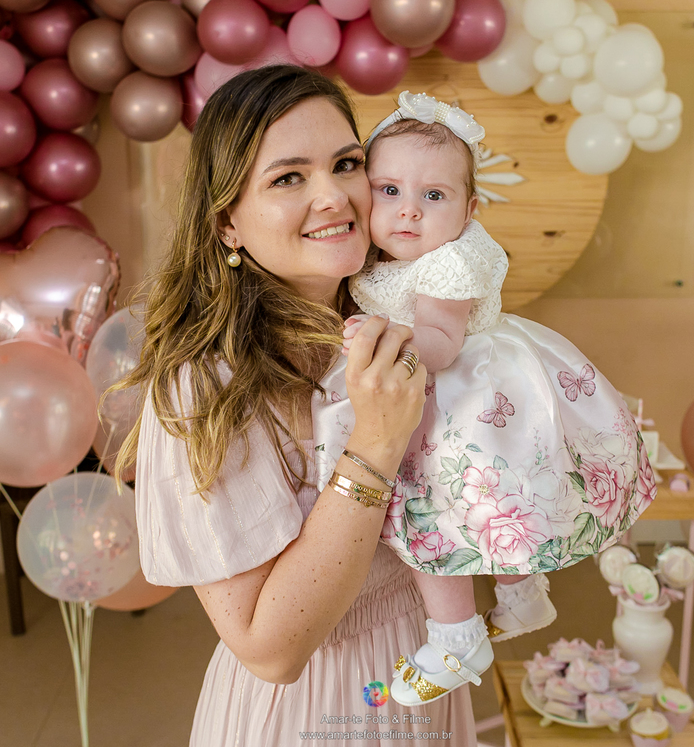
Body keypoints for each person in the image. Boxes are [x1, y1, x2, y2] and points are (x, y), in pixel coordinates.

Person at [114, 66, 476, 745]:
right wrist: (373, 446)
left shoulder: (396, 323)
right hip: (317, 710)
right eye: (288, 178)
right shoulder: (205, 386)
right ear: (227, 222)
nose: (335, 197)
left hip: (422, 676)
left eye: (346, 164)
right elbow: (270, 649)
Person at [313, 91, 657, 707]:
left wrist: (382, 334)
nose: (408, 212)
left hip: (462, 394)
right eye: (388, 191)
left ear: (469, 210)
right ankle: (524, 597)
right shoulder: (383, 253)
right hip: (458, 393)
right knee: (495, 509)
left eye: (434, 197)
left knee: (433, 511)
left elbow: (441, 344)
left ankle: (455, 636)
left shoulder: (450, 262)